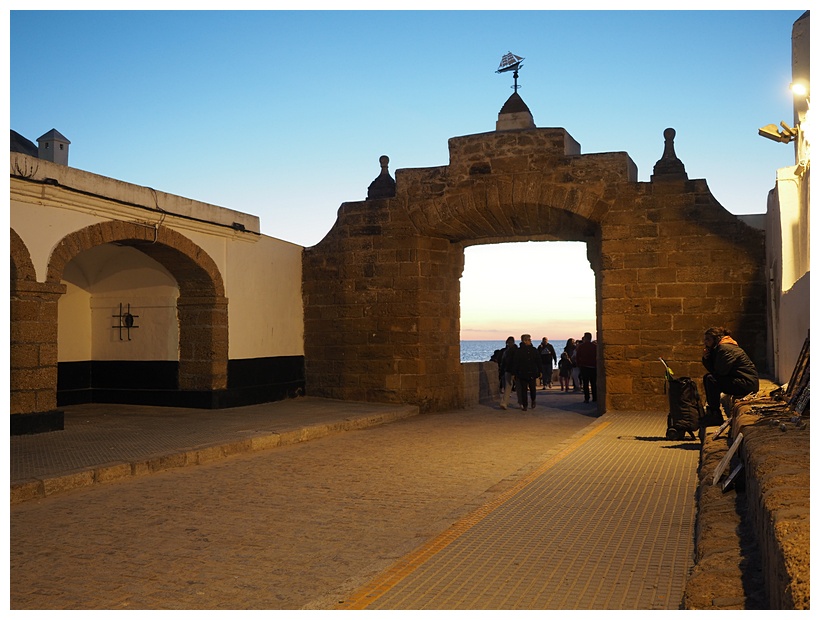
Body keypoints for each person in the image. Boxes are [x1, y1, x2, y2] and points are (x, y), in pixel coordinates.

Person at [701, 326, 759, 420]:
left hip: (747, 383)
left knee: (710, 379)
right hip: (742, 381)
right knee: (709, 378)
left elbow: (720, 372)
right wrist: (707, 358)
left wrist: (708, 359)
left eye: (708, 339)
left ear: (716, 339)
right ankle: (713, 412)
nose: (705, 342)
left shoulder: (725, 348)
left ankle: (715, 414)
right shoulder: (721, 348)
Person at [512, 334, 543, 411]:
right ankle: (525, 405)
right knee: (523, 390)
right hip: (522, 372)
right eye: (529, 340)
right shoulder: (519, 351)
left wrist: (540, 371)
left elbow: (538, 361)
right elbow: (516, 362)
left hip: (532, 372)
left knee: (533, 388)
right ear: (525, 341)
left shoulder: (534, 350)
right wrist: (514, 373)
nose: (530, 341)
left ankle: (533, 400)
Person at [575, 332, 597, 403]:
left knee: (585, 383)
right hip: (593, 367)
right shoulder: (595, 346)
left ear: (585, 338)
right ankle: (595, 397)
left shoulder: (581, 346)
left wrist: (579, 365)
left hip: (584, 367)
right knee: (593, 383)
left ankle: (587, 398)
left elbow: (578, 357)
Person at [499, 336, 518, 410]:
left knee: (518, 387)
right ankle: (504, 403)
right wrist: (502, 371)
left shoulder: (515, 351)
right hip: (508, 370)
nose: (508, 344)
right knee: (508, 386)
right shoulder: (506, 351)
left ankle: (521, 402)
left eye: (509, 343)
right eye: (507, 343)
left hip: (515, 371)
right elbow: (503, 362)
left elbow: (516, 362)